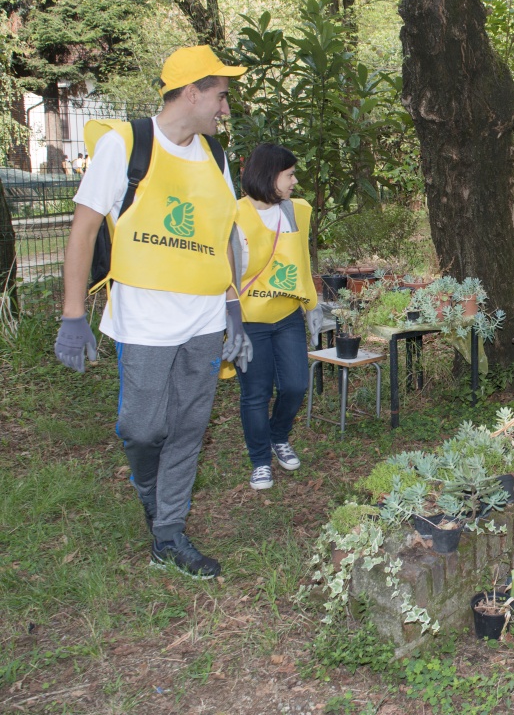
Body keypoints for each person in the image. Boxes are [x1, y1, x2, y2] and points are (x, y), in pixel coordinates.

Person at [53, 45, 251, 580]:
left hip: (205, 322)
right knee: (143, 429)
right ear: (192, 92)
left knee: (188, 428)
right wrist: (74, 316)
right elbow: (84, 230)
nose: (226, 109)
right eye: (221, 96)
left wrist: (233, 303)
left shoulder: (215, 156)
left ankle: (168, 533)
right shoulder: (127, 145)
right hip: (143, 321)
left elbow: (226, 233)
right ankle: (151, 490)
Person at [232, 144, 323, 491]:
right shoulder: (234, 214)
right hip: (249, 320)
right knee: (255, 393)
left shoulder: (294, 211)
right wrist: (229, 323)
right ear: (270, 176)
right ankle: (260, 461)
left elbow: (301, 262)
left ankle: (277, 435)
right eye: (290, 174)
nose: (295, 181)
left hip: (286, 316)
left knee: (296, 384)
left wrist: (311, 306)